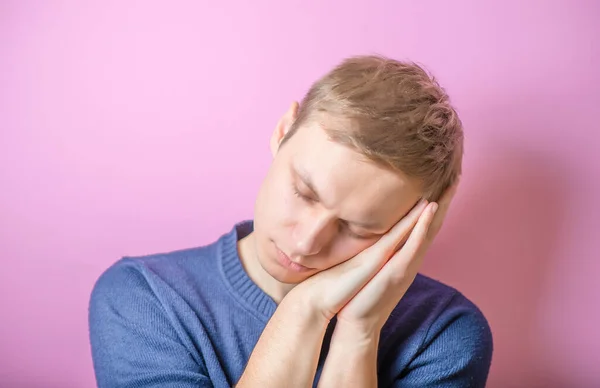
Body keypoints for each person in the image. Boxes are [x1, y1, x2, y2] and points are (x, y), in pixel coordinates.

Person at [88, 54, 493, 387]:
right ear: (283, 131)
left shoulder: (443, 335)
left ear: (413, 227)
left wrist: (360, 332)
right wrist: (307, 310)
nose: (306, 243)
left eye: (359, 229)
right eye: (304, 192)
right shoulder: (145, 299)